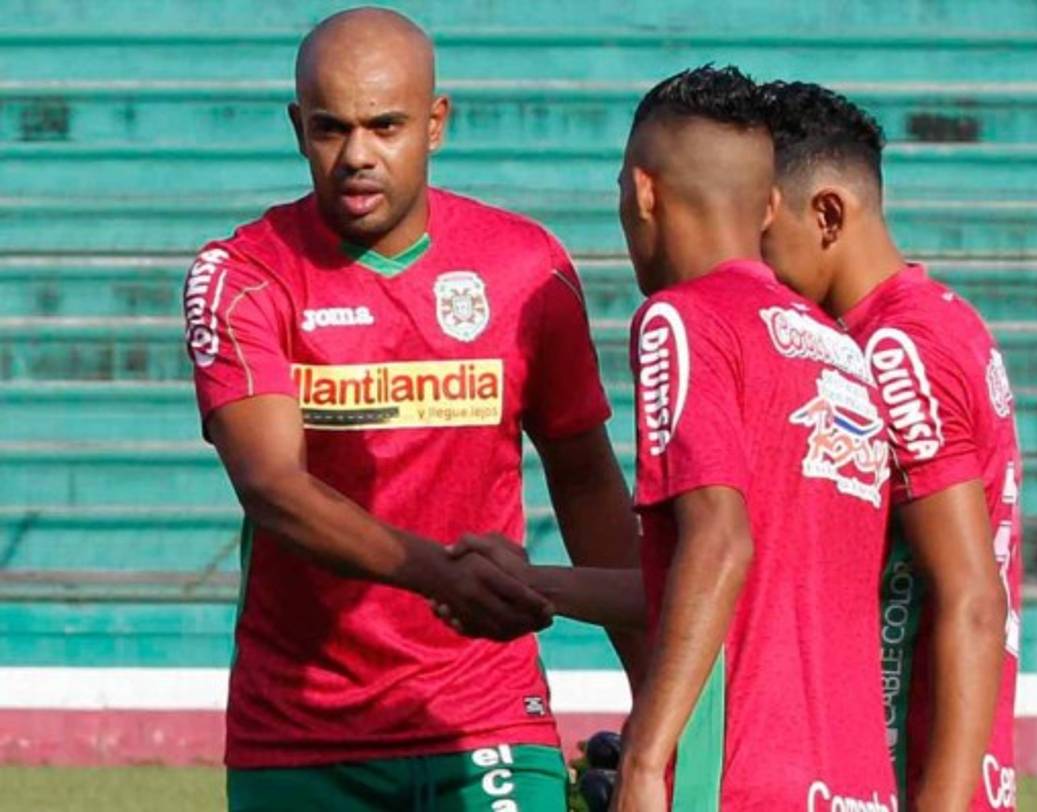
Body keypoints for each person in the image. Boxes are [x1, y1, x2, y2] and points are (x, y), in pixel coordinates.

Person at [181, 8, 643, 810]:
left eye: (385, 126)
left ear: (436, 124)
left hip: (488, 713)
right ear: (298, 128)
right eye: (331, 128)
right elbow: (273, 489)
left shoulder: (526, 269)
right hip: (300, 732)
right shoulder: (243, 274)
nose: (357, 155)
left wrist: (655, 695)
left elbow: (586, 481)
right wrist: (445, 578)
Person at [608, 65, 897, 811]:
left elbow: (720, 544)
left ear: (643, 193)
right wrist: (537, 587)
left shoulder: (683, 319)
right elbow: (763, 586)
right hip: (855, 780)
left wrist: (646, 757)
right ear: (770, 205)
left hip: (738, 777)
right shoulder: (835, 349)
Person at [761, 81, 1022, 812]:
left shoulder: (896, 349)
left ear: (827, 214)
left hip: (904, 770)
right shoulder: (938, 317)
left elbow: (970, 595)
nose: (752, 265)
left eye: (761, 232)